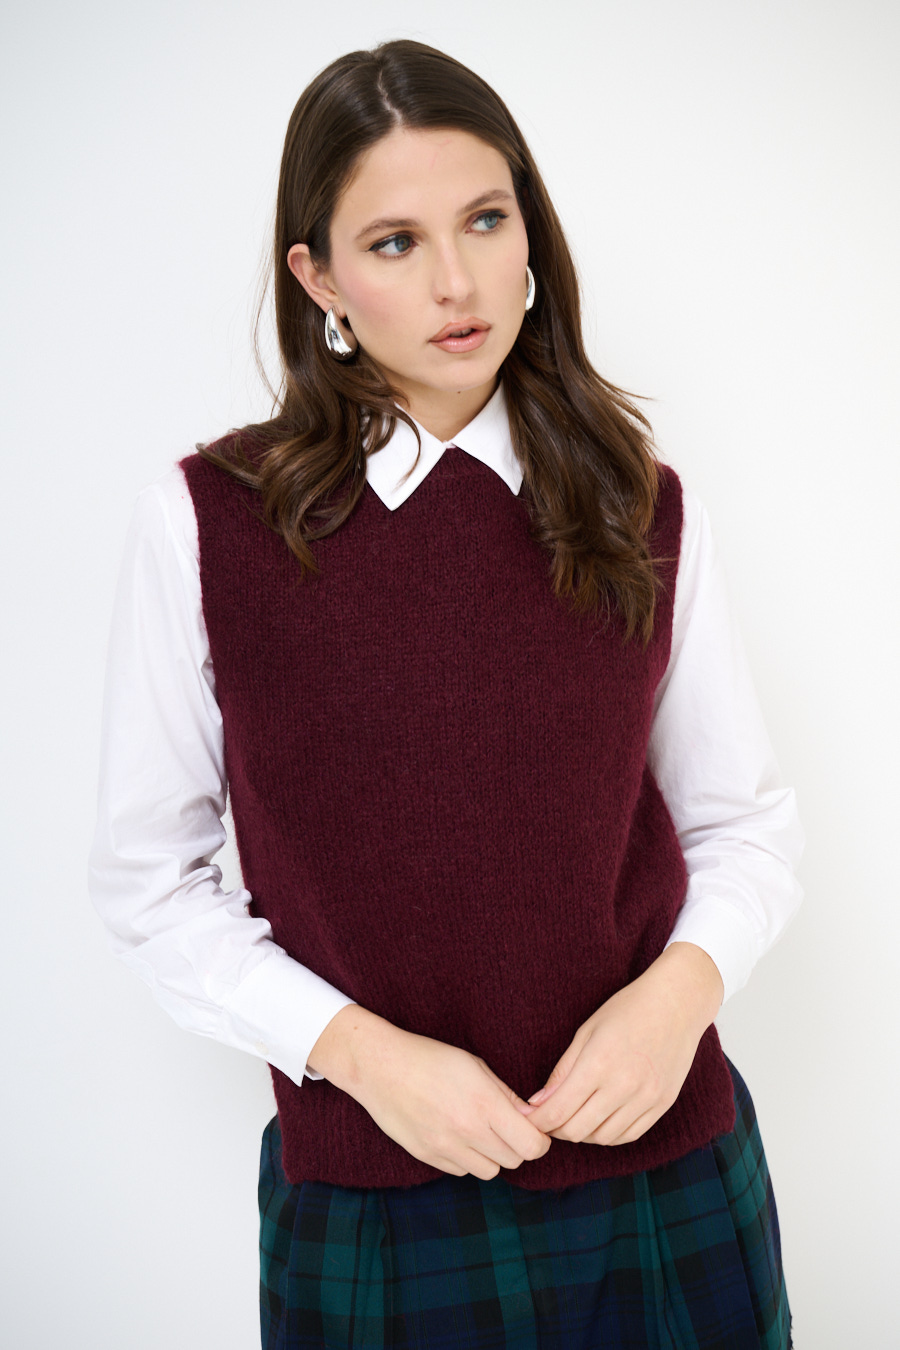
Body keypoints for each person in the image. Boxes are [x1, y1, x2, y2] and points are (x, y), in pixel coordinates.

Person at [90, 38, 802, 1349]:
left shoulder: (641, 505)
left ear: (531, 227)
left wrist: (681, 994)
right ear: (318, 277)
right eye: (395, 242)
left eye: (484, 219)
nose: (458, 282)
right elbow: (149, 879)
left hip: (667, 1170)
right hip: (376, 1203)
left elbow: (742, 825)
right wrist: (361, 1056)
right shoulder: (209, 524)